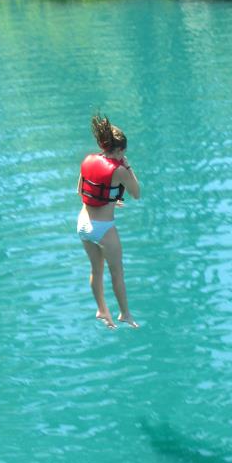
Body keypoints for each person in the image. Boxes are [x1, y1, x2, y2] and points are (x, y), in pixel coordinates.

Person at [76, 115, 140, 328]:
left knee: (96, 269)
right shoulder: (119, 169)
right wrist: (128, 167)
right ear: (120, 151)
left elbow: (82, 191)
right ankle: (125, 314)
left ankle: (102, 309)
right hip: (103, 229)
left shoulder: (87, 160)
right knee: (117, 273)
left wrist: (111, 199)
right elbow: (136, 193)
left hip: (82, 224)